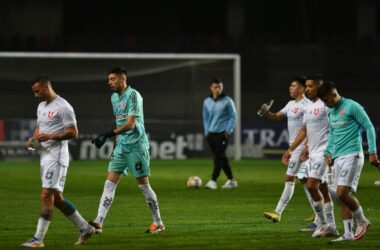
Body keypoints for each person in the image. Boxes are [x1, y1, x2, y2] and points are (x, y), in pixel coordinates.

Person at [21, 75, 95, 248]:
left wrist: (51, 136)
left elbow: (73, 132)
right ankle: (85, 228)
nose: (35, 95)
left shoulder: (64, 107)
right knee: (57, 199)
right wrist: (33, 138)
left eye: (37, 91)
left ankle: (38, 239)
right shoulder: (41, 106)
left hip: (57, 157)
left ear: (46, 88)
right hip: (45, 156)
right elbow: (40, 126)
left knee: (46, 194)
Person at [89, 67, 165, 234]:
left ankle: (158, 222)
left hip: (136, 146)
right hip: (121, 147)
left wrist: (108, 134)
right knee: (109, 184)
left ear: (122, 79)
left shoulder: (133, 95)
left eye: (112, 79)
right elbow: (119, 121)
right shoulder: (114, 97)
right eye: (108, 79)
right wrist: (116, 141)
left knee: (144, 186)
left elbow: (130, 124)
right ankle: (99, 221)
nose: (109, 82)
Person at [317, 81, 380, 242]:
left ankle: (362, 220)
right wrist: (328, 152)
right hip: (337, 157)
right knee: (341, 197)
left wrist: (372, 152)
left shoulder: (353, 106)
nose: (325, 103)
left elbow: (369, 127)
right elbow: (332, 133)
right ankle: (347, 233)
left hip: (352, 155)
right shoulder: (331, 111)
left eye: (326, 100)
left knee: (341, 193)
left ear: (333, 93)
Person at [282, 75, 338, 237]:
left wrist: (332, 150)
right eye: (306, 86)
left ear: (320, 87)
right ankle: (332, 224)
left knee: (312, 185)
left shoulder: (327, 105)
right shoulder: (308, 107)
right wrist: (293, 149)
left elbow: (336, 128)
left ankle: (323, 223)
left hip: (324, 153)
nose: (307, 89)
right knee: (324, 189)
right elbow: (304, 131)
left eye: (310, 86)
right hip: (312, 153)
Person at [260, 76, 314, 223]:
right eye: (290, 85)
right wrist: (267, 112)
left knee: (289, 178)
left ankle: (278, 212)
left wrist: (305, 147)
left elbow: (309, 128)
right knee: (304, 180)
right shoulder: (290, 104)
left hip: (300, 147)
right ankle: (318, 210)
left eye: (293, 85)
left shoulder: (308, 105)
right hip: (294, 147)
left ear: (302, 88)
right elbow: (276, 117)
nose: (290, 88)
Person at [202, 78, 237, 189]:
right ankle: (231, 180)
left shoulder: (228, 101)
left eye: (220, 87)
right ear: (211, 88)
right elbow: (205, 118)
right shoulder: (207, 101)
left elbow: (233, 117)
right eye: (215, 87)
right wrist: (207, 131)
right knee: (222, 157)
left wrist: (228, 131)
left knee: (217, 157)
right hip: (211, 134)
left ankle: (213, 180)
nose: (218, 89)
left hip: (222, 133)